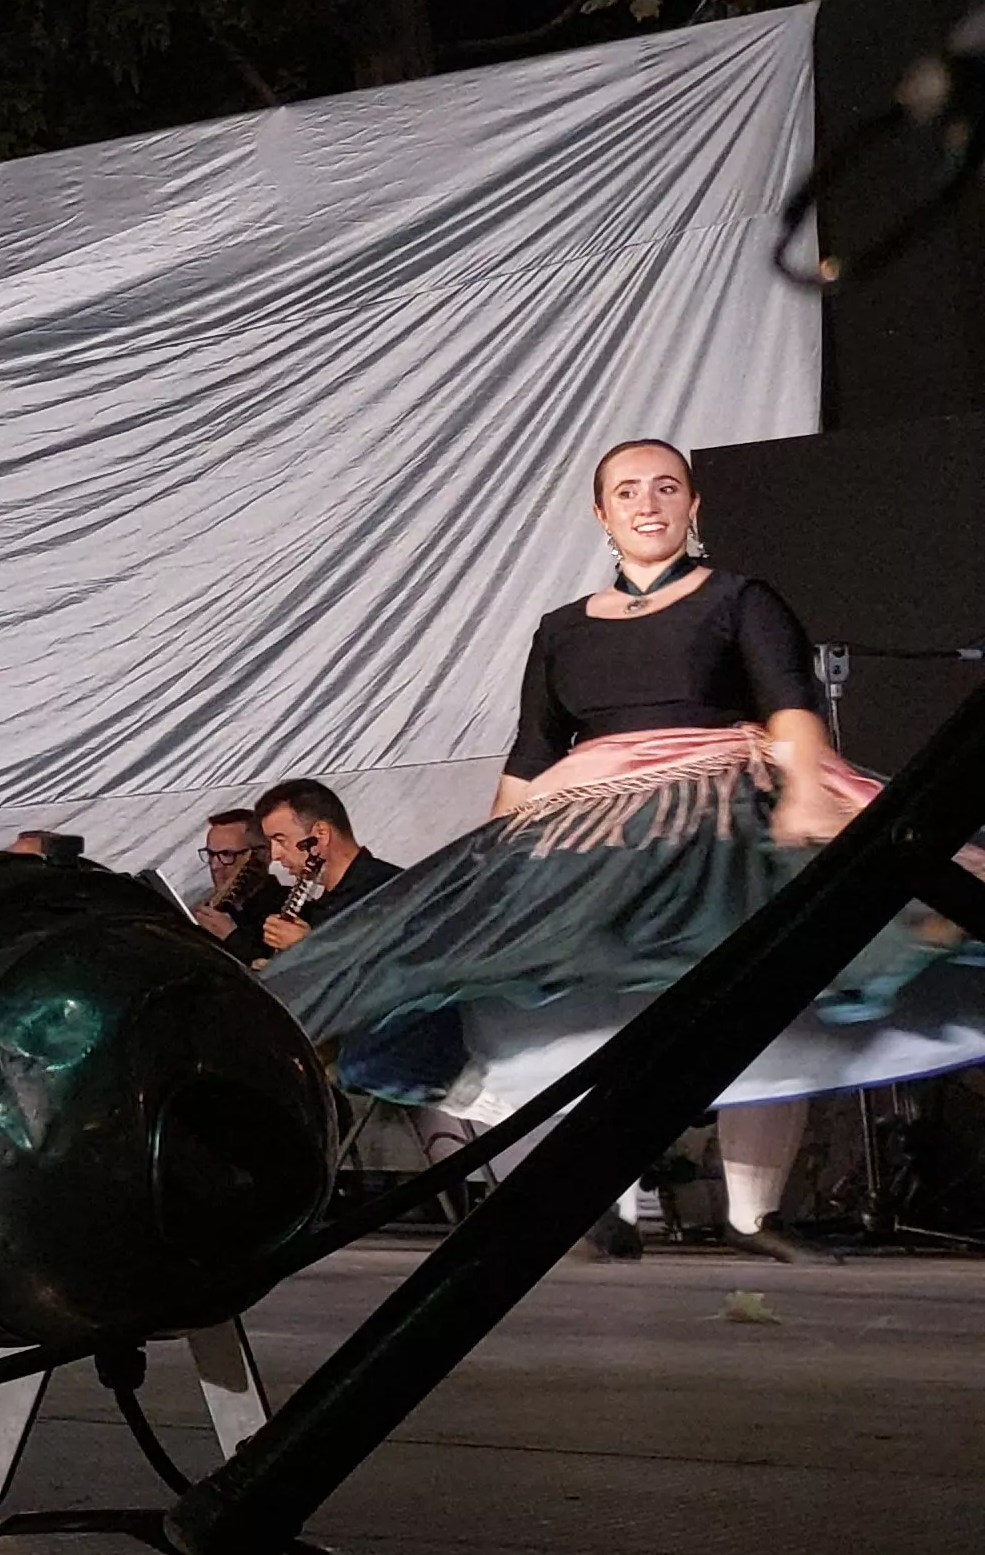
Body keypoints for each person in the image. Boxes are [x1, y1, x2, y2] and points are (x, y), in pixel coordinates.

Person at [264, 439, 985, 1264]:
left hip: (720, 811)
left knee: (766, 999)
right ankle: (610, 1201)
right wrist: (490, 869)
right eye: (628, 492)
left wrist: (809, 793)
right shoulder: (563, 630)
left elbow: (790, 702)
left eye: (666, 488)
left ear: (693, 505)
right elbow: (534, 752)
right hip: (598, 822)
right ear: (601, 514)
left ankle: (755, 1213)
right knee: (596, 996)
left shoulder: (739, 598)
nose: (648, 504)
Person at [252, 779, 399, 952]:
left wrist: (309, 948)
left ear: (321, 834)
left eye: (280, 840)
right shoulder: (319, 906)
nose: (275, 855)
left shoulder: (391, 893)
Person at [188, 809, 285, 962]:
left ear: (264, 854)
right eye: (211, 855)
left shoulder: (289, 908)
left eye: (227, 854)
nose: (215, 866)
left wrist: (232, 937)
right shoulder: (210, 908)